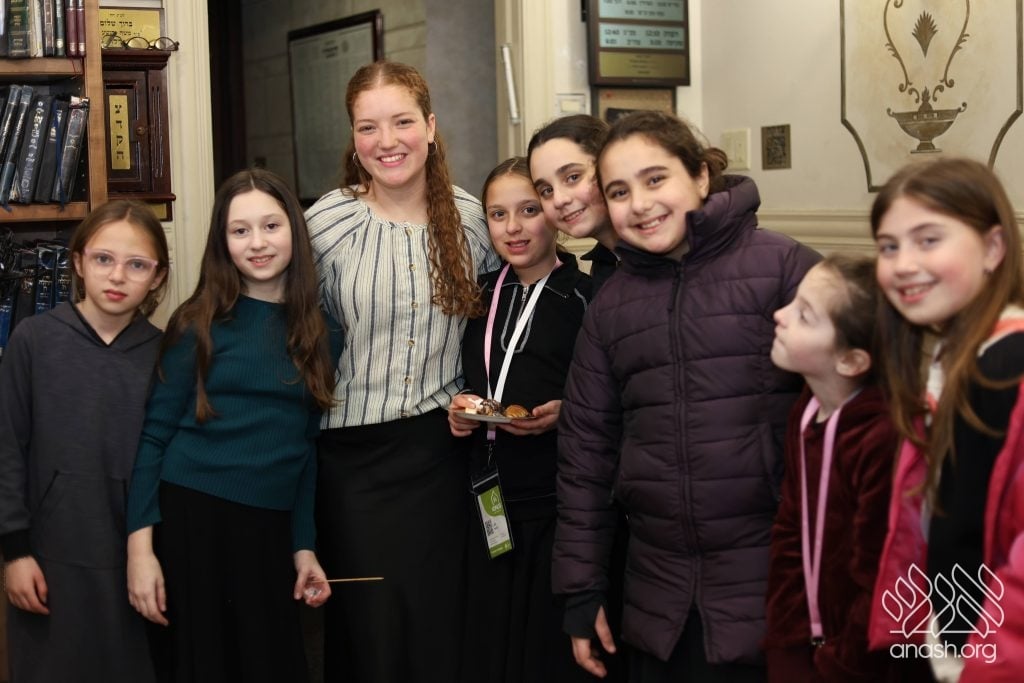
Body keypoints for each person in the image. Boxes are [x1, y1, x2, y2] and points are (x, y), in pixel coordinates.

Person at [553, 110, 820, 682]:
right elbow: (586, 456)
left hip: (774, 588)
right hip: (660, 602)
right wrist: (581, 588)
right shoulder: (611, 307)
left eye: (656, 179)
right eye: (619, 192)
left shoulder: (783, 269)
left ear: (700, 176)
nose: (640, 204)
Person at [304, 60, 500, 683]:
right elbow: (290, 336)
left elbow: (499, 336)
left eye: (402, 122)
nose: (386, 141)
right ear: (353, 138)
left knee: (442, 630)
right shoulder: (326, 223)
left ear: (431, 127)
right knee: (372, 636)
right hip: (352, 462)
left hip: (443, 458)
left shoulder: (475, 221)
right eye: (368, 127)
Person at [125, 169, 339, 683]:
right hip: (191, 522)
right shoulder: (197, 323)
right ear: (222, 242)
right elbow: (153, 438)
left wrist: (304, 547)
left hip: (268, 531)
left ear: (294, 230)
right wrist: (139, 552)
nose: (257, 243)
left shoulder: (323, 331)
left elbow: (306, 451)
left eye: (271, 226)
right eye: (240, 230)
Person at [867, 157, 1024, 682]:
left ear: (993, 248)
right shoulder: (956, 360)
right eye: (888, 247)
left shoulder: (1008, 371)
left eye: (928, 240)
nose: (903, 264)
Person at [0, 200, 169, 683]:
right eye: (103, 259)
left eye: (136, 265)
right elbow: (7, 449)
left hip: (137, 559)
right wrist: (15, 552)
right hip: (48, 558)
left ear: (157, 277)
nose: (117, 276)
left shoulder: (166, 354)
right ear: (77, 262)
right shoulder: (33, 341)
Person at [448, 157, 592, 682]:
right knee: (489, 640)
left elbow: (614, 396)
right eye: (498, 214)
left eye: (529, 210)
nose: (513, 227)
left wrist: (568, 412)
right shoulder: (478, 294)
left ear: (553, 213)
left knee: (542, 648)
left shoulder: (586, 296)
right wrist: (460, 409)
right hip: (486, 492)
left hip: (554, 500)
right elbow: (462, 375)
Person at [763, 255, 904, 681]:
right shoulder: (807, 409)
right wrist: (785, 644)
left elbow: (882, 581)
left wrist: (837, 666)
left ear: (851, 361)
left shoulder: (883, 438)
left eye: (804, 315)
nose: (780, 315)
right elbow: (791, 531)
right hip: (806, 645)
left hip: (863, 663)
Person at [528, 114, 619, 292]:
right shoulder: (605, 266)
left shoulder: (667, 255)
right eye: (546, 190)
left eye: (573, 177)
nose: (559, 200)